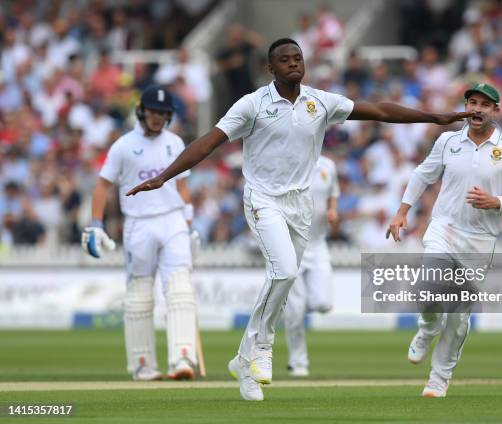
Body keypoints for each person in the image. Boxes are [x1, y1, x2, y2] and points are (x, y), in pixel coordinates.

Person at [126, 38, 473, 401]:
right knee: (286, 272)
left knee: (282, 279)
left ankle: (244, 360)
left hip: (301, 204)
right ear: (270, 68)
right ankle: (263, 348)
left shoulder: (319, 102)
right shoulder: (252, 105)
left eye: (298, 58)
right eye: (284, 60)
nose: (293, 63)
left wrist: (434, 117)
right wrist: (164, 175)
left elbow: (380, 111)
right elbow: (208, 141)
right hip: (263, 199)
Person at [386, 83, 502, 397]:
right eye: (472, 102)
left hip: (480, 240)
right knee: (426, 289)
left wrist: (498, 202)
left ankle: (439, 379)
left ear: (496, 111)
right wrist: (402, 212)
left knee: (459, 314)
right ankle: (427, 329)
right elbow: (422, 174)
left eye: (484, 104)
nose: (476, 109)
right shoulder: (447, 140)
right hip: (444, 227)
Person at [81, 85, 202, 381]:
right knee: (139, 295)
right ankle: (143, 365)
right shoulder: (123, 145)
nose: (158, 118)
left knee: (180, 289)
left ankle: (183, 358)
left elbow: (182, 187)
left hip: (173, 220)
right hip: (138, 223)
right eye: (153, 112)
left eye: (163, 113)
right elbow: (102, 185)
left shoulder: (174, 142)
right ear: (142, 111)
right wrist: (96, 224)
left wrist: (189, 223)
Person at [284, 155, 339, 377]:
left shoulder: (328, 165)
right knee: (296, 311)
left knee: (323, 303)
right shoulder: (289, 161)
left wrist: (333, 210)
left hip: (318, 244)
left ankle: (287, 306)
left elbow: (333, 194)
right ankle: (298, 362)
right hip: (291, 244)